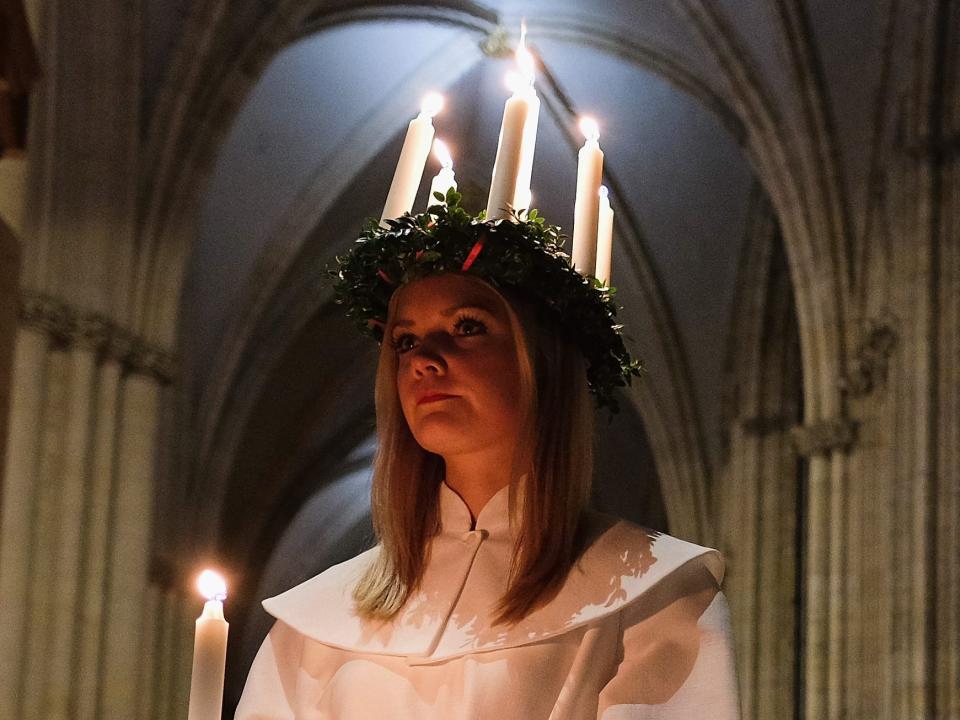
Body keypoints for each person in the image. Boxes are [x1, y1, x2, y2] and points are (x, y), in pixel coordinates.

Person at [235, 199, 741, 719]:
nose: (424, 361)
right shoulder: (313, 626)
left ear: (541, 360)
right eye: (405, 340)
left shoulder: (653, 598)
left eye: (467, 327)